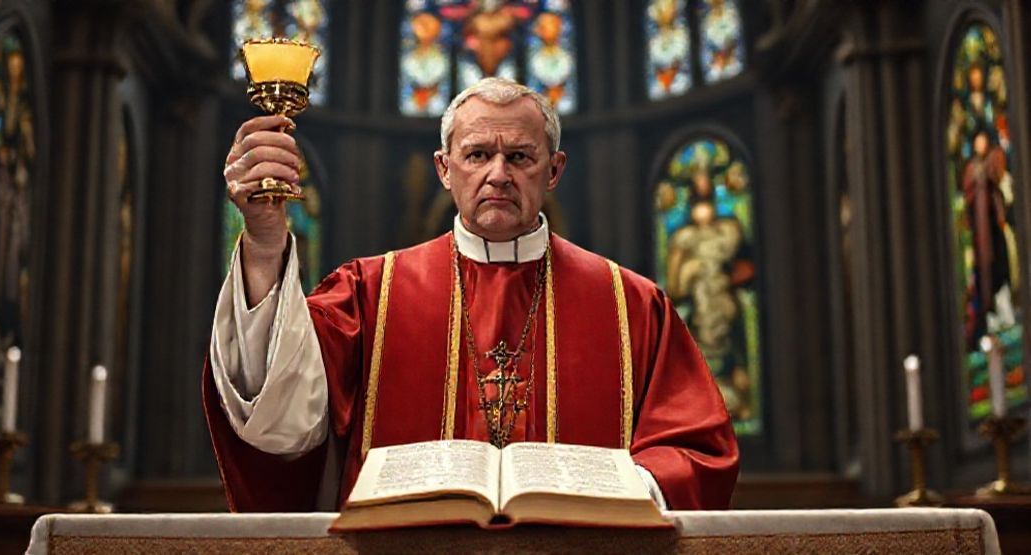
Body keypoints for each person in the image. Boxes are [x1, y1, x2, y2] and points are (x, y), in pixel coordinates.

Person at [205, 78, 738, 512]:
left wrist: (623, 493)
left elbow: (695, 448)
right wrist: (266, 238)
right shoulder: (369, 293)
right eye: (478, 153)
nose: (498, 175)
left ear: (554, 171)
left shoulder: (632, 305)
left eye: (521, 157)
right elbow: (278, 406)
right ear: (444, 169)